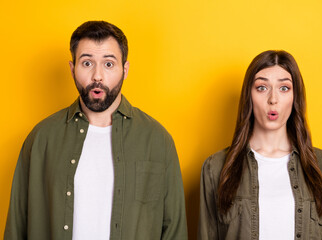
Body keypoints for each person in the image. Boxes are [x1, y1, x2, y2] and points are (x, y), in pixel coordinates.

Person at [5, 20, 187, 240]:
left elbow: (174, 230)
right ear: (72, 69)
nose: (97, 76)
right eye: (87, 63)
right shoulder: (41, 139)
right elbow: (17, 225)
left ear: (125, 69)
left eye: (108, 64)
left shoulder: (158, 141)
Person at [198, 50, 322, 240]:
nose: (273, 99)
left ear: (294, 97)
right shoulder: (215, 168)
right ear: (249, 96)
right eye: (262, 87)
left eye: (284, 88)